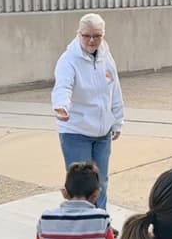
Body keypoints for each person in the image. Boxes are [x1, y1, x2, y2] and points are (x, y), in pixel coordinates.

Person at [51, 13, 124, 207]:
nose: (92, 40)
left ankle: (100, 218)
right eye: (87, 36)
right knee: (80, 186)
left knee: (101, 183)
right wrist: (61, 106)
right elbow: (63, 86)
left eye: (97, 36)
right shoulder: (68, 60)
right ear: (79, 34)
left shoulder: (106, 57)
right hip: (76, 131)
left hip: (102, 133)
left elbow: (114, 90)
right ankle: (79, 219)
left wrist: (117, 121)